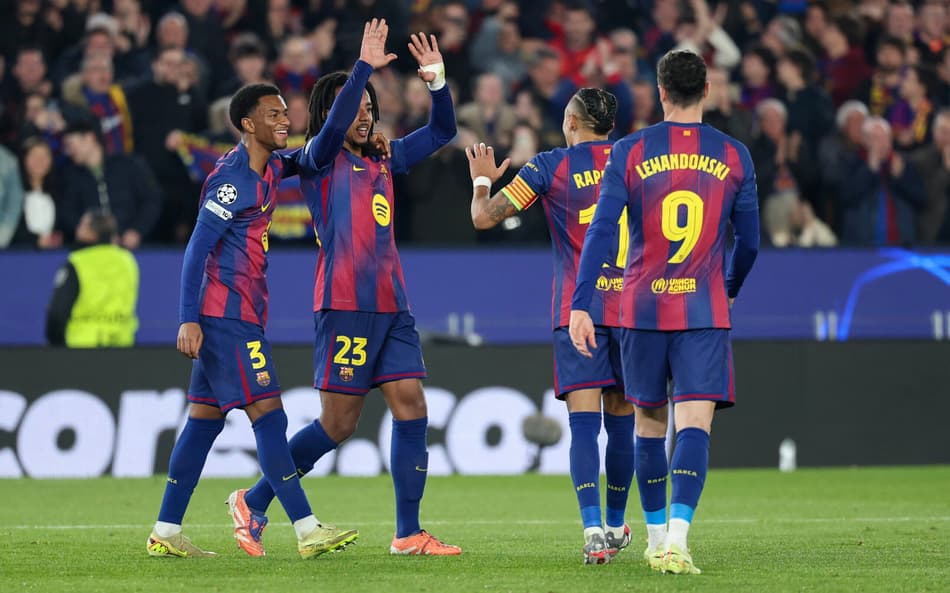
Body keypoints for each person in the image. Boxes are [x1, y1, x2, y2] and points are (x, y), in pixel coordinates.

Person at [230, 20, 461, 557]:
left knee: (411, 405)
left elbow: (443, 132)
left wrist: (436, 83)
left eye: (368, 106)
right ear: (329, 114)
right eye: (353, 105)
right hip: (344, 305)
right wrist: (360, 69)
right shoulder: (316, 158)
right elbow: (332, 128)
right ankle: (254, 500)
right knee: (338, 425)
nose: (363, 113)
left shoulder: (383, 156)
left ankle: (407, 533)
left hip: (392, 307)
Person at [146, 82, 358, 560]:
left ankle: (165, 529)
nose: (285, 119)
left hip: (241, 315)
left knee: (203, 423)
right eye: (273, 114)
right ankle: (306, 529)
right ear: (247, 124)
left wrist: (357, 81)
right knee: (271, 416)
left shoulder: (272, 167)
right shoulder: (231, 181)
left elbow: (319, 148)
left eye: (286, 112)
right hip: (226, 318)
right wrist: (188, 320)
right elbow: (196, 250)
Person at [569, 50, 760, 575]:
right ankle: (677, 539)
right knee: (694, 425)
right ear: (707, 91)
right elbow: (749, 244)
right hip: (703, 309)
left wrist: (583, 304)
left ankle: (655, 540)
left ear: (660, 92)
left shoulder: (627, 152)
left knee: (650, 426)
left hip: (640, 310)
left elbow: (602, 233)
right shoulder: (736, 155)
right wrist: (731, 287)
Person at [465, 87, 636, 565]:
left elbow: (483, 218)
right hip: (633, 311)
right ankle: (619, 522)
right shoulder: (637, 161)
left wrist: (481, 181)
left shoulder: (548, 166)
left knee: (584, 425)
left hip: (576, 312)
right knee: (623, 425)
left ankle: (592, 532)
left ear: (572, 122)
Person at [45, 208, 138, 347]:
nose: (78, 228)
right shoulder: (128, 261)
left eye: (82, 225)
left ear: (92, 233)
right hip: (122, 346)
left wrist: (56, 346)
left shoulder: (77, 262)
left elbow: (57, 314)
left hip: (81, 348)